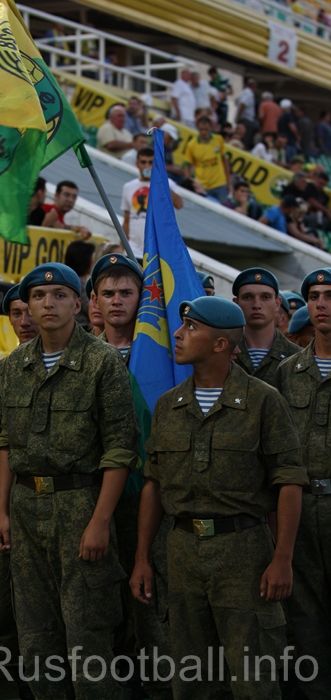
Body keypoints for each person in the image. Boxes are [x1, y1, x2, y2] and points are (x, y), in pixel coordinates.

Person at [130, 294, 308, 700]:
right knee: (191, 679)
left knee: (253, 679)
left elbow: (289, 482)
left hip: (244, 553)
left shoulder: (263, 401)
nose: (178, 334)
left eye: (191, 327)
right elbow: (154, 484)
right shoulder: (169, 406)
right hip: (182, 552)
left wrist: (282, 559)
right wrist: (142, 558)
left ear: (221, 344)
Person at [0, 262, 139, 699]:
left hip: (80, 506)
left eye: (59, 295)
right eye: (38, 296)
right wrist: (2, 513)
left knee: (88, 639)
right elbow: (7, 442)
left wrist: (100, 521)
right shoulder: (13, 366)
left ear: (78, 303)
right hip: (25, 508)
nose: (48, 303)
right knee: (36, 641)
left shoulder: (102, 362)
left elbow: (120, 449)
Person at [91, 254, 173, 700]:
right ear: (94, 301)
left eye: (127, 292)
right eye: (108, 293)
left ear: (144, 298)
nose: (117, 301)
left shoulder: (168, 357)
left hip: (152, 501)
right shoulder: (81, 357)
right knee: (105, 618)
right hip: (94, 504)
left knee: (153, 616)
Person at [277, 267, 331, 698]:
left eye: (329, 296)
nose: (321, 304)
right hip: (299, 508)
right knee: (304, 620)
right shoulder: (288, 371)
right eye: (314, 296)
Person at [0, 284, 37, 700]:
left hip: (56, 501)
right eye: (16, 313)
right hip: (8, 501)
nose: (25, 321)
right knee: (4, 605)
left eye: (29, 310)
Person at [232, 267, 299, 388]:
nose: (257, 305)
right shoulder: (224, 353)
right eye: (248, 297)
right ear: (236, 304)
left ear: (277, 304)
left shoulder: (298, 358)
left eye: (265, 297)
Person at [122, 147, 183, 262]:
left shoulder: (167, 183)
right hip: (133, 250)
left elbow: (179, 204)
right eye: (143, 162)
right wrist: (122, 246)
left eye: (151, 163)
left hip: (157, 251)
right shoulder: (128, 187)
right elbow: (127, 220)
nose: (147, 166)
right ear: (137, 164)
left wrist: (160, 182)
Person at [184, 115, 231, 203]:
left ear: (210, 127)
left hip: (220, 183)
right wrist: (191, 185)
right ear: (198, 129)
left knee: (223, 208)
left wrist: (229, 182)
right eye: (201, 129)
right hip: (203, 186)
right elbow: (187, 166)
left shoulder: (219, 139)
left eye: (206, 129)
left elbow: (225, 161)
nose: (203, 132)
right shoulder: (192, 145)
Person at [64, 240, 95, 327]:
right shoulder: (80, 284)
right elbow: (90, 308)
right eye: (92, 257)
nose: (93, 261)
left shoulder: (66, 281)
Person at [235, 78, 258, 149]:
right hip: (246, 120)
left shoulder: (243, 92)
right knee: (244, 140)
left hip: (243, 119)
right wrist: (239, 116)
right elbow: (243, 104)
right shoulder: (249, 93)